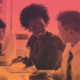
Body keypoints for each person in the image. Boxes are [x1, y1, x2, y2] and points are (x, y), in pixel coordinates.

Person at [31, 11, 80, 80]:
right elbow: (63, 73)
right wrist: (48, 73)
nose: (59, 33)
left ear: (70, 31)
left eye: (60, 30)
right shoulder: (68, 47)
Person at [20, 4, 65, 70]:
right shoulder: (33, 38)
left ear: (45, 23)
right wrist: (25, 61)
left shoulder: (54, 40)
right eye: (33, 27)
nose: (38, 30)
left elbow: (48, 70)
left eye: (41, 25)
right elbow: (32, 63)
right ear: (29, 28)